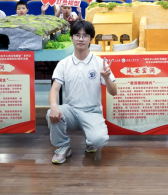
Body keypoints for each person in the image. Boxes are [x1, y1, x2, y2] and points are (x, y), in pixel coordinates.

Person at [47, 20, 116, 164]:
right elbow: (54, 89)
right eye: (77, 35)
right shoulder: (64, 63)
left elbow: (113, 92)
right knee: (50, 113)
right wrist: (53, 106)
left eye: (85, 36)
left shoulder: (99, 63)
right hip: (71, 111)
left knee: (99, 141)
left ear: (91, 39)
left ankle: (91, 140)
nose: (81, 39)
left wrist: (106, 78)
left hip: (92, 111)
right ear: (72, 37)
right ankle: (63, 146)